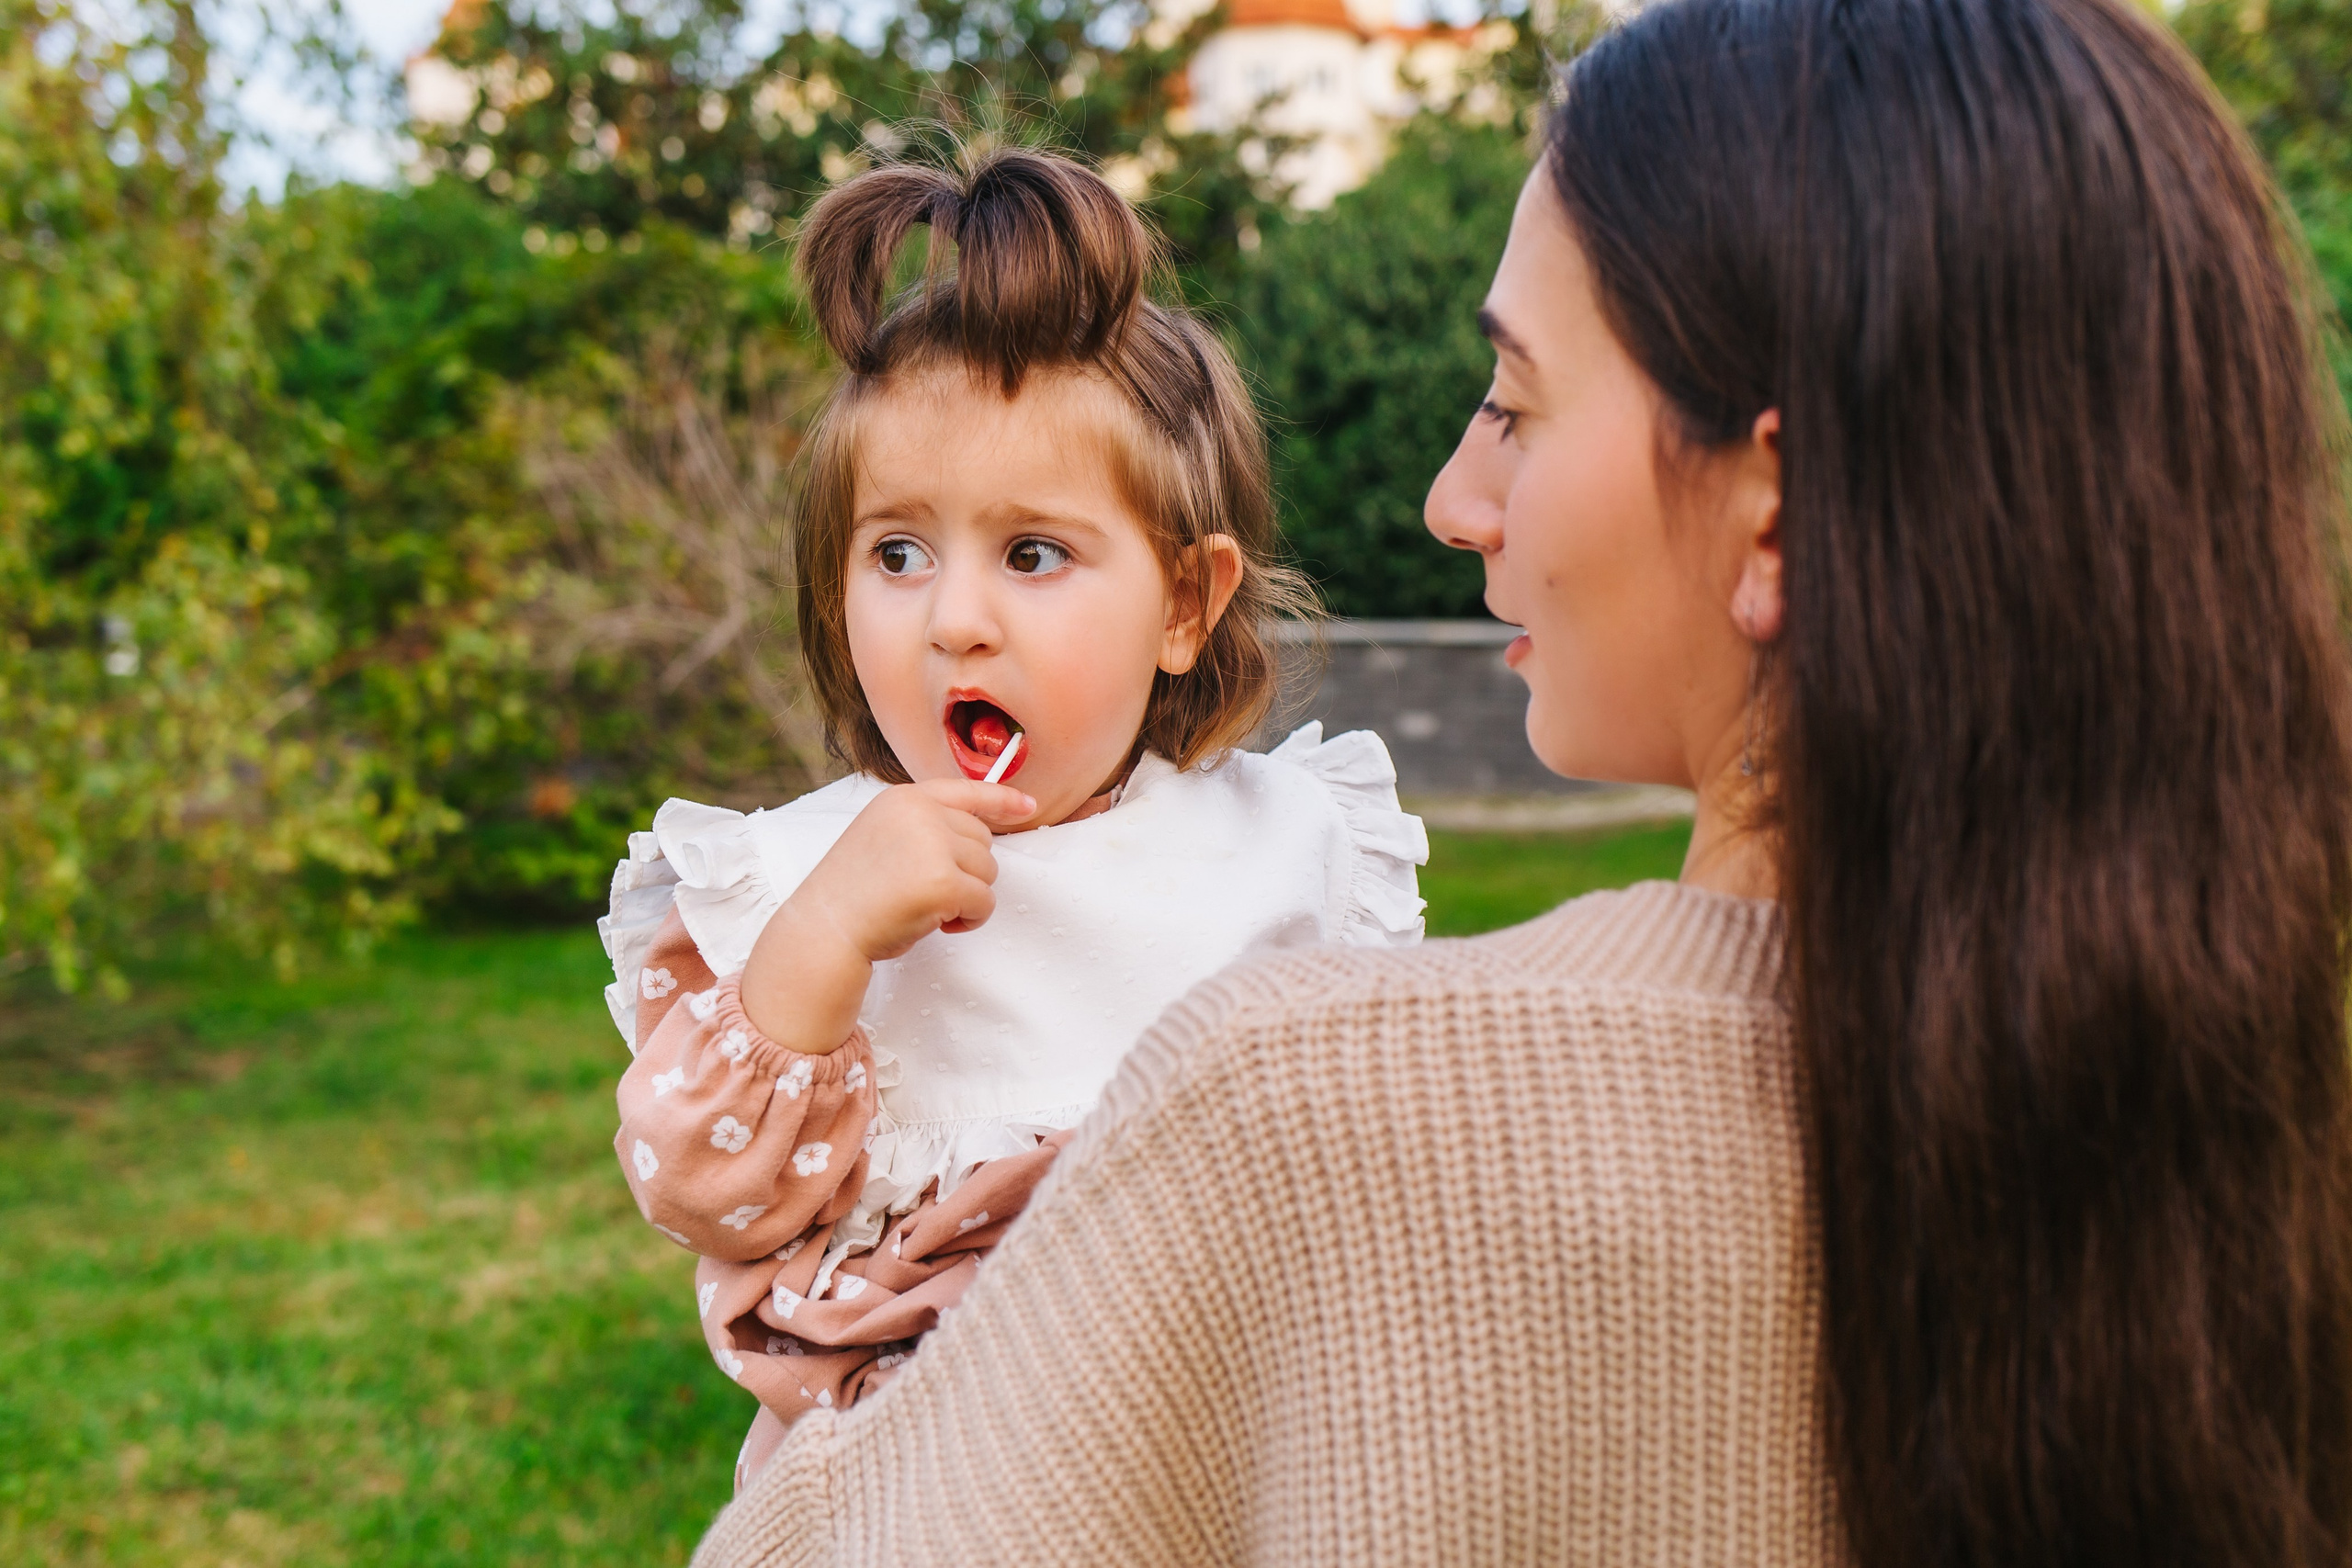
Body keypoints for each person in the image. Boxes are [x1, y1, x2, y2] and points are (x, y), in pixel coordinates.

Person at [684, 0, 2352, 1560]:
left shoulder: (1290, 1109)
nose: (1450, 497)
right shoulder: (2235, 1161)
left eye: (1513, 403)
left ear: (1775, 513)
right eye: (897, 549)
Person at [597, 146, 1427, 1494]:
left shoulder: (1286, 843)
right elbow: (701, 1188)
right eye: (898, 553)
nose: (956, 618)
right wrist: (822, 942)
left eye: (1032, 554)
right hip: (910, 1485)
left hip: (1215, 1454)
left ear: (1182, 603)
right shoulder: (803, 876)